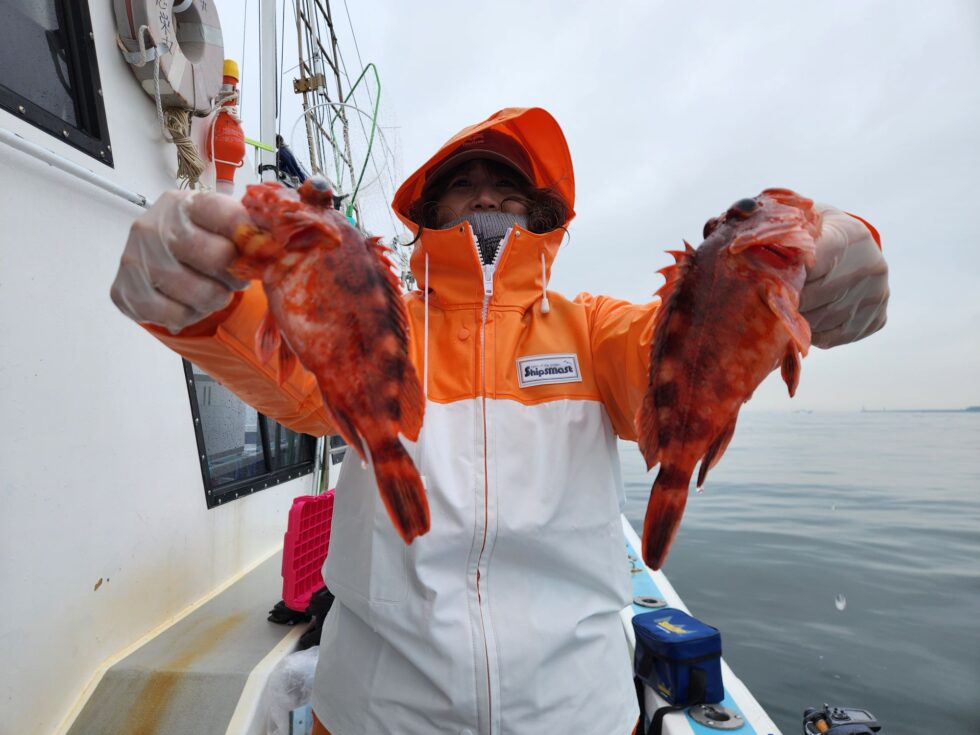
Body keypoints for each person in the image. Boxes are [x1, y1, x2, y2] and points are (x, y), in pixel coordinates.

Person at [110, 107, 889, 734]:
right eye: (462, 183)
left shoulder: (594, 329)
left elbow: (678, 349)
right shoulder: (377, 315)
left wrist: (824, 248)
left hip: (581, 716)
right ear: (429, 211)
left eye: (507, 185)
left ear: (542, 212)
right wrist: (195, 297)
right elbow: (284, 352)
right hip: (373, 718)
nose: (484, 194)